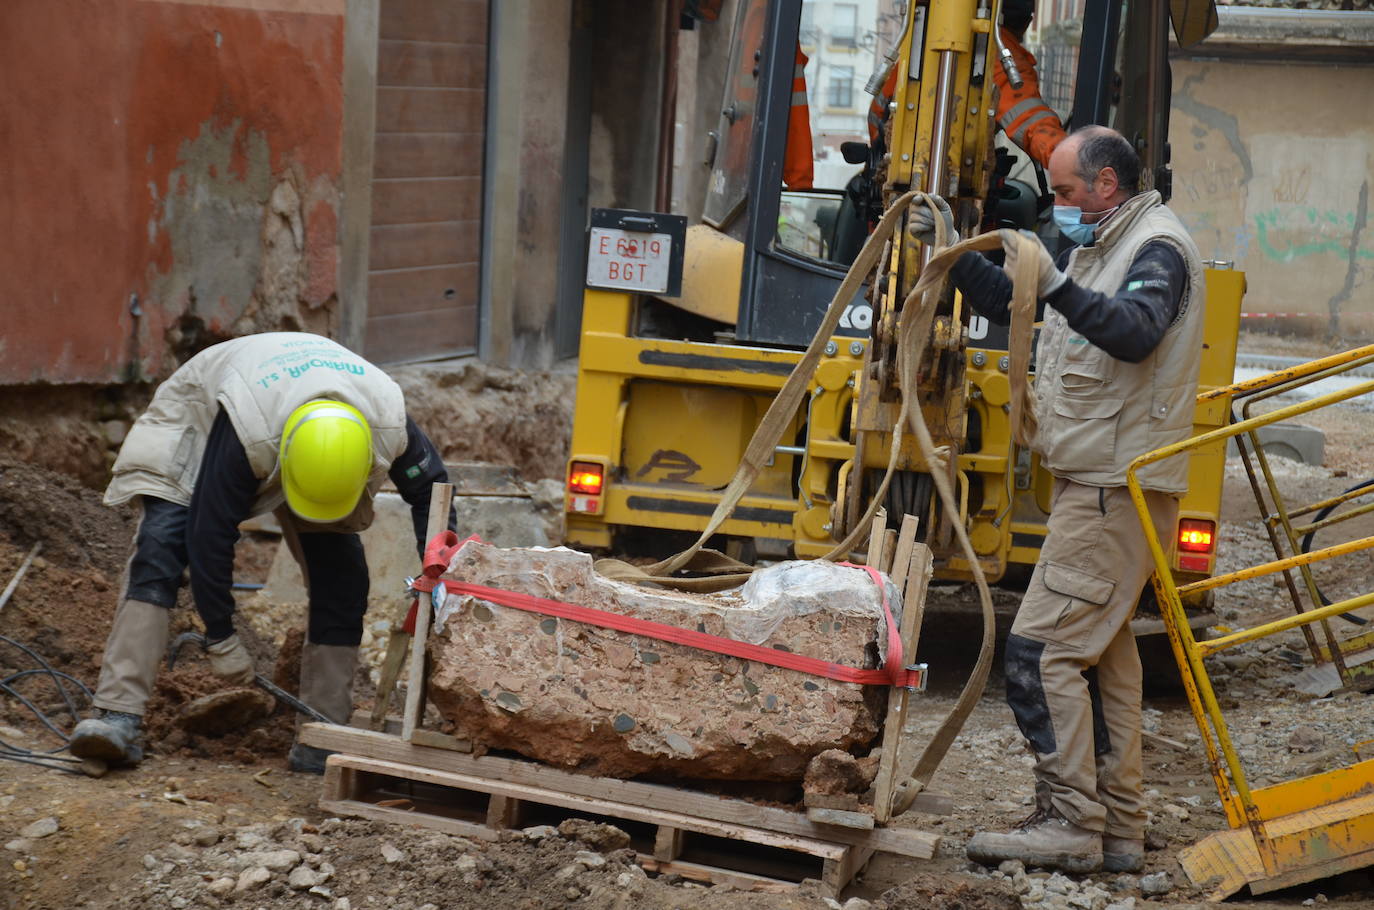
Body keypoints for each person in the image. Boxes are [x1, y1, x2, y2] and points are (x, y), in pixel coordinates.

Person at [912, 126, 1205, 874]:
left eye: (1067, 190)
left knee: (1039, 652)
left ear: (1107, 185)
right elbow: (1026, 301)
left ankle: (1070, 821)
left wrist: (1057, 284)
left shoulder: (1157, 249)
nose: (1057, 203)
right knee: (1103, 668)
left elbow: (1134, 334)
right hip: (1101, 484)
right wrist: (953, 251)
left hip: (1116, 489)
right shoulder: (1104, 245)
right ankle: (1117, 830)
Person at [69, 332, 452, 773]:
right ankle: (117, 715)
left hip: (306, 424)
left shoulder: (390, 421)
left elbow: (433, 494)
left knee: (343, 575)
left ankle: (321, 731)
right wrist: (220, 635)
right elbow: (208, 535)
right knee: (161, 548)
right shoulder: (244, 439)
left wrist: (440, 573)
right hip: (204, 415)